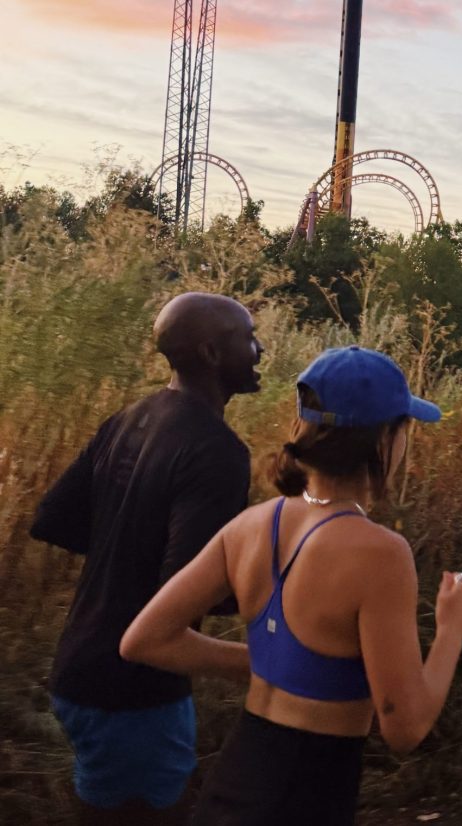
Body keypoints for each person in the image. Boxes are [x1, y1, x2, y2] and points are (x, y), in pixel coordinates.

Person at [120, 346, 462, 825]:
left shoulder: (250, 525)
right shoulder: (381, 553)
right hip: (306, 798)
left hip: (230, 788)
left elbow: (145, 639)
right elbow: (405, 727)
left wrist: (273, 664)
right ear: (385, 440)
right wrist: (452, 630)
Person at [30, 292, 261, 825]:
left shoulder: (129, 418)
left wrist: (130, 545)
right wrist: (270, 663)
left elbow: (53, 519)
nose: (260, 348)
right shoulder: (217, 451)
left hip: (77, 670)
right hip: (135, 693)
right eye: (247, 337)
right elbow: (179, 593)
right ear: (209, 352)